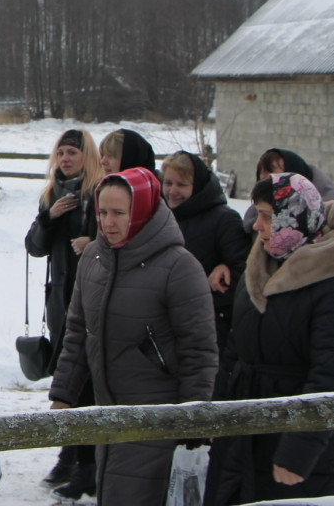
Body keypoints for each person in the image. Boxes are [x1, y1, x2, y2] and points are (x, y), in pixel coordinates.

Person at [49, 167, 218, 505]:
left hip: (158, 418)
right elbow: (78, 332)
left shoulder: (178, 267)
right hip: (107, 413)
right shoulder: (94, 260)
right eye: (102, 213)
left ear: (141, 210)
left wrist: (193, 421)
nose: (108, 223)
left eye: (119, 213)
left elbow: (199, 351)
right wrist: (64, 393)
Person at [204, 173, 334, 505]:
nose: (256, 226)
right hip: (244, 431)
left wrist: (299, 451)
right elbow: (236, 350)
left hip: (296, 442)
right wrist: (217, 415)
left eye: (266, 216)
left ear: (292, 217)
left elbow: (332, 376)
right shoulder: (259, 267)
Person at [24, 127, 101, 498]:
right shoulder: (52, 195)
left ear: (88, 156)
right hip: (60, 304)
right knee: (67, 382)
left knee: (88, 385)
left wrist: (93, 242)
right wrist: (49, 217)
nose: (65, 159)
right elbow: (34, 248)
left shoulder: (98, 194)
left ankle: (86, 462)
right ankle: (70, 454)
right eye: (61, 153)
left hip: (91, 303)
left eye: (73, 152)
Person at [161, 151, 250, 354]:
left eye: (182, 185)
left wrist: (205, 297)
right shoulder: (161, 218)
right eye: (168, 183)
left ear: (198, 185)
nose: (173, 191)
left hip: (208, 330)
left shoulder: (224, 220)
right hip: (165, 329)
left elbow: (243, 274)